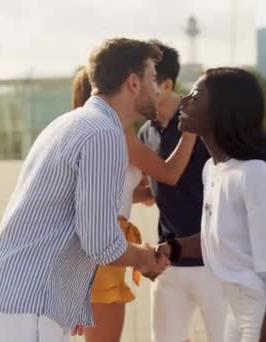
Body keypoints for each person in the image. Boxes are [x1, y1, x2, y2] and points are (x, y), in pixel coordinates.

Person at [0, 38, 170, 342]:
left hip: (18, 302)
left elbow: (65, 220)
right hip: (29, 308)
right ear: (133, 82)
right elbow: (100, 242)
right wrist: (145, 257)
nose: (158, 89)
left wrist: (73, 301)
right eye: (153, 78)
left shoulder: (70, 123)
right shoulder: (104, 135)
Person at [161, 67, 266, 342]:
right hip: (238, 309)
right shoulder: (213, 169)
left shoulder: (255, 175)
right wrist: (172, 249)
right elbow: (220, 237)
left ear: (222, 110)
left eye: (195, 97)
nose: (183, 102)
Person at [71, 66, 196, 342]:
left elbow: (120, 192)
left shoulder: (96, 133)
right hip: (104, 242)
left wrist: (153, 192)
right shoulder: (114, 134)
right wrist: (190, 131)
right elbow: (168, 173)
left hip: (106, 239)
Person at [139, 41, 227, 342]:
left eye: (144, 82)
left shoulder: (202, 125)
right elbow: (156, 188)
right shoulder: (145, 131)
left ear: (165, 84)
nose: (136, 90)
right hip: (170, 263)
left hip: (214, 263)